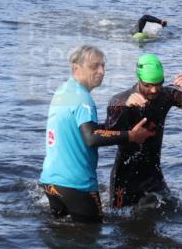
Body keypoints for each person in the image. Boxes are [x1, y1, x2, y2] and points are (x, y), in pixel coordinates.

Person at [40, 46, 154, 223]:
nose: (101, 71)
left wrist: (122, 110)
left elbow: (91, 130)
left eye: (103, 66)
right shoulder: (83, 99)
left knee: (61, 238)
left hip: (51, 182)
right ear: (76, 68)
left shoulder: (62, 91)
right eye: (94, 66)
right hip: (76, 185)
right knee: (92, 239)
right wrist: (130, 136)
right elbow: (92, 137)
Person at [104, 54, 182, 209]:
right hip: (124, 177)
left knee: (167, 212)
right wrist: (125, 110)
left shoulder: (167, 95)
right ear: (139, 79)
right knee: (119, 221)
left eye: (158, 84)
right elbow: (108, 133)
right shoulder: (120, 100)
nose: (154, 90)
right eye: (148, 85)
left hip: (153, 175)